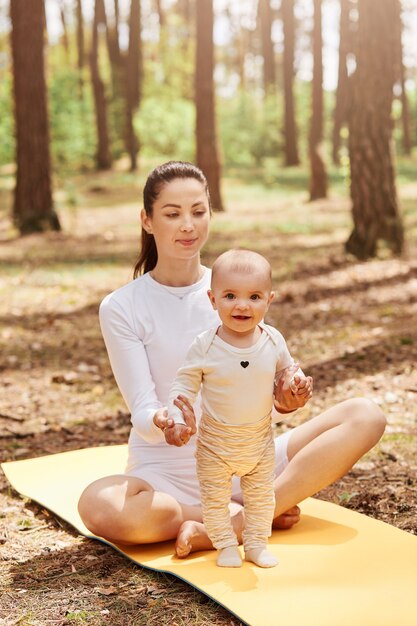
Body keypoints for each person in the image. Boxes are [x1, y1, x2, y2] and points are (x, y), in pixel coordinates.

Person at [78, 160, 386, 559]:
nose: (188, 225)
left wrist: (284, 397)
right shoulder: (121, 306)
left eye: (198, 211)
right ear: (148, 220)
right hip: (170, 477)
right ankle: (229, 514)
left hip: (248, 460)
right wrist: (164, 421)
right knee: (98, 505)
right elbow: (142, 409)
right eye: (172, 214)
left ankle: (244, 518)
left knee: (366, 415)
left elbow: (264, 374)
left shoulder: (231, 286)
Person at [167, 249, 312, 568]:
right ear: (213, 299)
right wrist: (177, 416)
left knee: (262, 499)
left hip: (258, 444)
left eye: (254, 296)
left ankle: (257, 543)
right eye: (230, 295)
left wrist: (297, 383)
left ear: (269, 300)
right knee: (215, 502)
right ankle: (225, 545)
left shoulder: (273, 340)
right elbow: (184, 385)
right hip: (215, 446)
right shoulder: (205, 345)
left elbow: (286, 372)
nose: (242, 305)